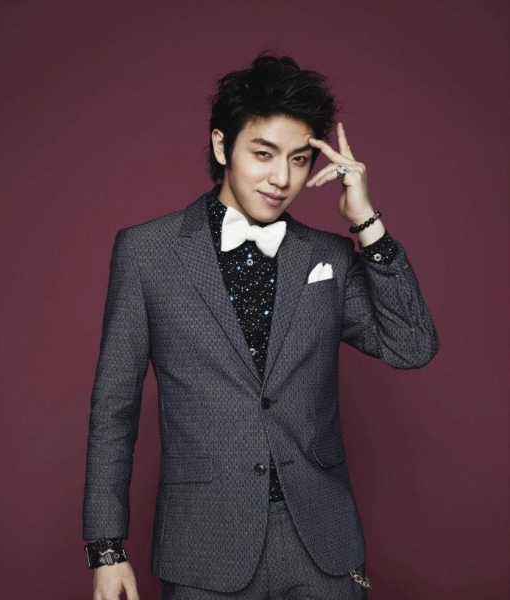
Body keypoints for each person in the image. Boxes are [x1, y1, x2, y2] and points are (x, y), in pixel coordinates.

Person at [82, 53, 439, 600]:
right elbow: (114, 406)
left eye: (299, 159)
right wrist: (107, 549)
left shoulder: (327, 256)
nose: (282, 179)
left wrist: (366, 222)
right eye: (264, 154)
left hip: (321, 543)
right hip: (204, 545)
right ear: (222, 145)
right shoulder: (147, 252)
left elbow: (411, 345)